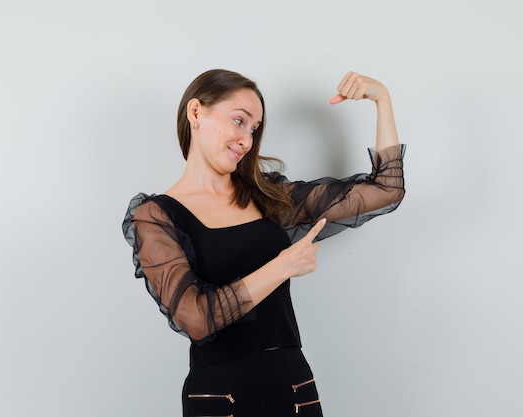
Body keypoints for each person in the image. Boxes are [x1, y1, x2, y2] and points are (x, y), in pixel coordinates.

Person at [122, 69, 406, 417]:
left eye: (254, 129)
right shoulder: (156, 216)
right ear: (195, 112)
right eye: (239, 121)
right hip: (218, 396)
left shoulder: (268, 196)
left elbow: (386, 190)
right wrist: (282, 265)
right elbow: (195, 317)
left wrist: (382, 98)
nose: (247, 139)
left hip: (293, 384)